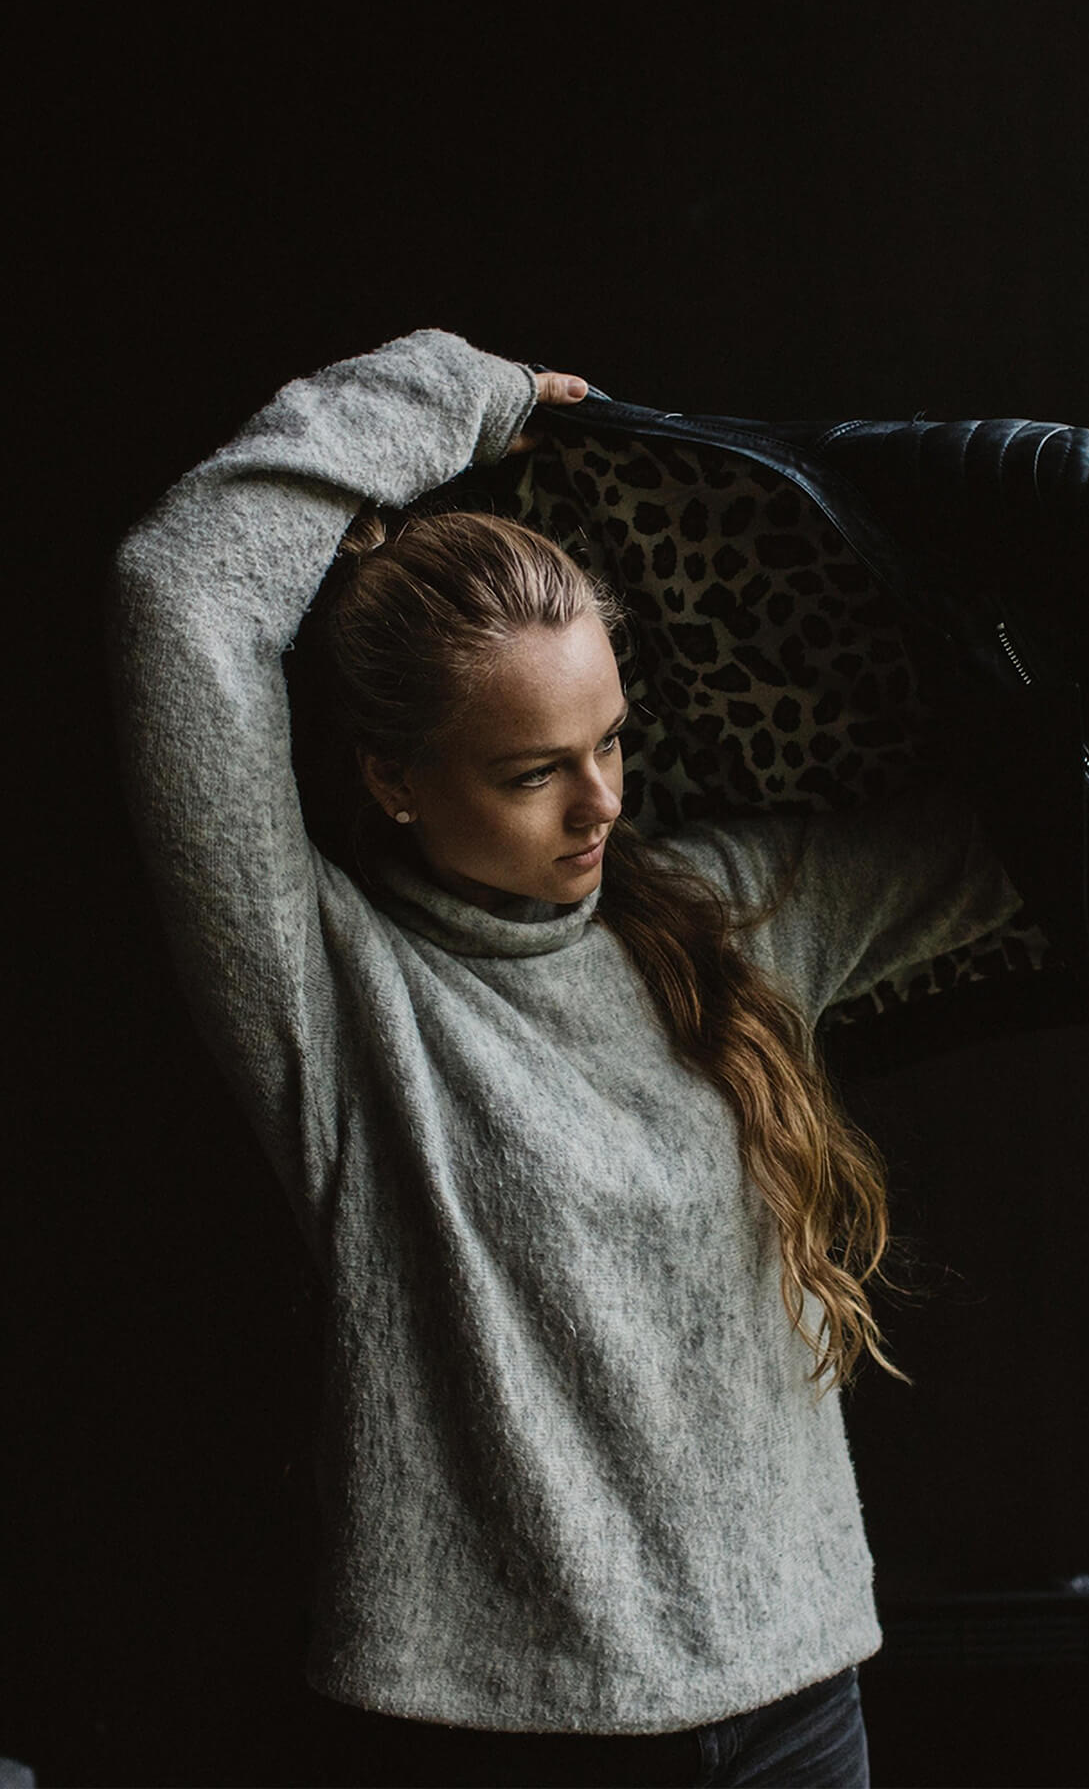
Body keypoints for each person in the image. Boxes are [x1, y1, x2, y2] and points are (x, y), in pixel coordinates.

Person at [111, 330, 1025, 1788]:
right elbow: (180, 592)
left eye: (610, 741)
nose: (600, 803)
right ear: (393, 779)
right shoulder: (332, 994)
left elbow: (1052, 826)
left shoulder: (730, 916)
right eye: (533, 771)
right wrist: (457, 395)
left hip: (800, 1704)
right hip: (500, 1738)